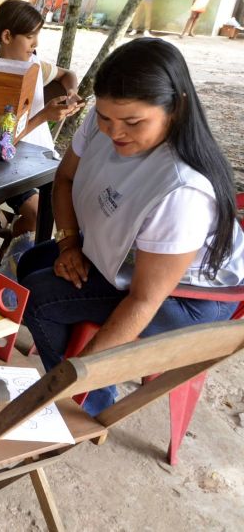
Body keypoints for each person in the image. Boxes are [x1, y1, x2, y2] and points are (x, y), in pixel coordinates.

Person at [17, 38, 244, 416]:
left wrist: (76, 374)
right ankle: (75, 377)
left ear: (177, 108)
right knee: (30, 263)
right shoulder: (106, 117)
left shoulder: (182, 189)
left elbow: (143, 300)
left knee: (41, 297)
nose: (114, 131)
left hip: (188, 301)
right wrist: (70, 243)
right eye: (104, 118)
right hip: (127, 259)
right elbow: (65, 180)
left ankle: (86, 402)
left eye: (133, 122)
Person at [0, 0, 83, 237]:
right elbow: (2, 141)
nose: (36, 43)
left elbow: (67, 74)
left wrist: (71, 92)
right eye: (30, 36)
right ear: (7, 36)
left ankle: (18, 238)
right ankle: (17, 241)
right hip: (10, 165)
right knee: (39, 215)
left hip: (43, 160)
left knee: (77, 210)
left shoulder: (35, 66)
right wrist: (44, 116)